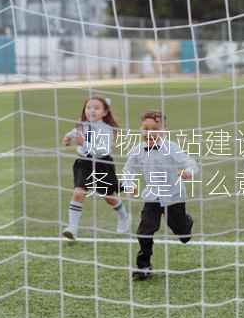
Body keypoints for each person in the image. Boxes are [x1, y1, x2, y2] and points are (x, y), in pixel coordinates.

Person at [121, 111, 199, 281]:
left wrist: (188, 172)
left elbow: (190, 162)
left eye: (155, 129)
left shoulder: (171, 148)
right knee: (145, 231)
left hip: (174, 196)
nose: (150, 133)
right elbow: (128, 169)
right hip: (152, 197)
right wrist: (129, 184)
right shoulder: (137, 150)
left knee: (181, 231)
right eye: (146, 129)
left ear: (164, 131)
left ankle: (187, 222)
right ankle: (143, 267)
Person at [61, 96, 129, 241]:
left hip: (102, 163)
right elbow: (74, 133)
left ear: (104, 113)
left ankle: (124, 216)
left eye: (96, 108)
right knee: (78, 192)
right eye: (88, 107)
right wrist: (67, 138)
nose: (91, 110)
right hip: (84, 163)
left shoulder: (107, 129)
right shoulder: (82, 125)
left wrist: (84, 143)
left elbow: (102, 150)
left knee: (108, 197)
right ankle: (72, 228)